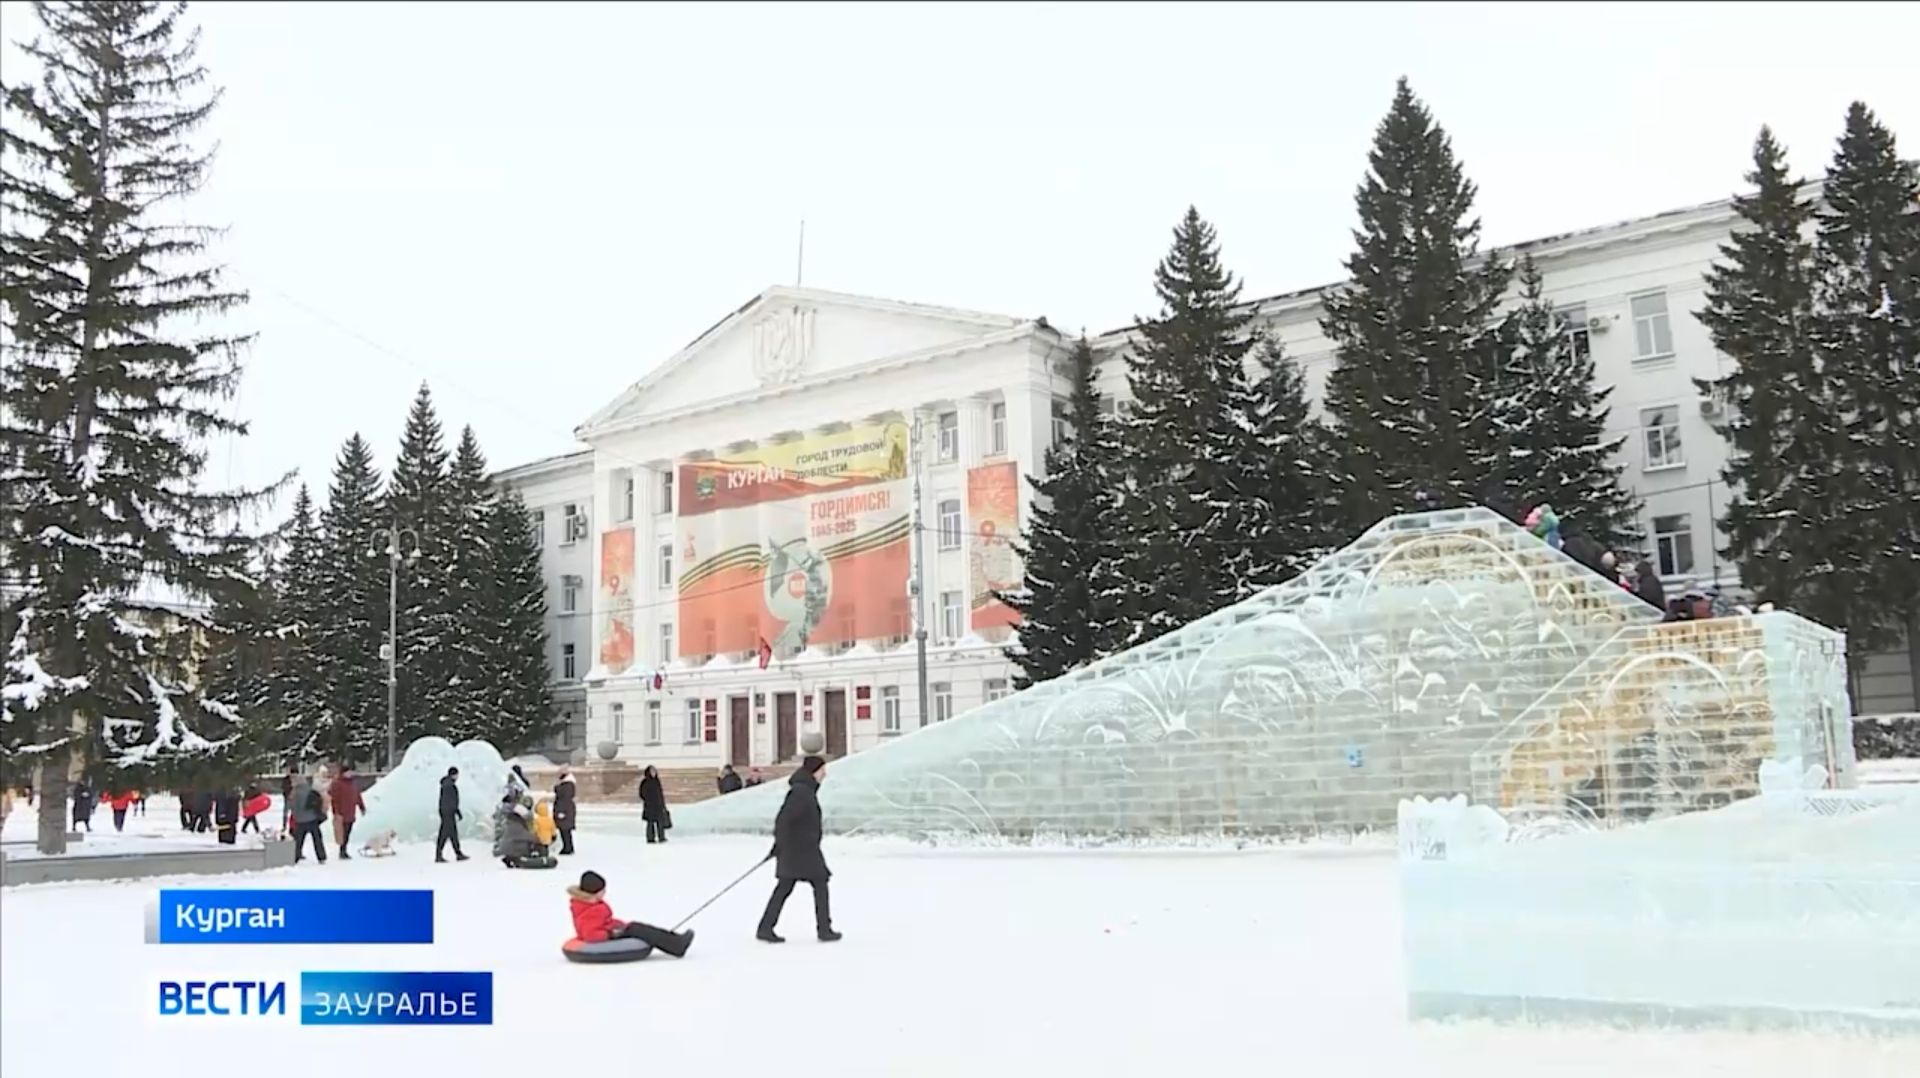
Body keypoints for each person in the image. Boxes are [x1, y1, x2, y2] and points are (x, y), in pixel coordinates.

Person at [756, 755, 840, 944]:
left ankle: (766, 927)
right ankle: (824, 929)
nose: (824, 775)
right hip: (800, 850)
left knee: (787, 887)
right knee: (819, 883)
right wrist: (780, 844)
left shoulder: (804, 790)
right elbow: (784, 820)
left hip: (799, 849)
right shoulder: (801, 792)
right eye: (822, 771)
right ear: (814, 771)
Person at [567, 870, 694, 957]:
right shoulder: (590, 910)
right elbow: (590, 934)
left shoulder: (588, 904)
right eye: (602, 890)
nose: (605, 892)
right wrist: (611, 933)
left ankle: (674, 939)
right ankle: (677, 945)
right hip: (606, 936)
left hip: (611, 931)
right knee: (641, 931)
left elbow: (603, 921)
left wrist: (616, 924)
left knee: (637, 927)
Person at [289, 772, 328, 863]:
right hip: (313, 819)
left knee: (299, 840)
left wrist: (296, 817)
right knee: (317, 839)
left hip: (300, 820)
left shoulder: (295, 793)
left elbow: (293, 807)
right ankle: (321, 857)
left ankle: (295, 856)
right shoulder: (310, 790)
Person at [330, 765, 365, 860]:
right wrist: (336, 812)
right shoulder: (337, 783)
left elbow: (357, 795)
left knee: (348, 832)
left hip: (351, 811)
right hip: (341, 812)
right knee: (343, 833)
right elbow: (334, 799)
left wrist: (361, 806)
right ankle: (342, 850)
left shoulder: (353, 783)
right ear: (343, 773)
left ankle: (344, 850)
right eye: (347, 772)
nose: (350, 774)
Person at [436, 766, 468, 863]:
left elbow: (451, 801)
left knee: (453, 834)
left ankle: (458, 853)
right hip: (448, 813)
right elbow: (449, 801)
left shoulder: (447, 784)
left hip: (447, 812)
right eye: (457, 775)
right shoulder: (449, 786)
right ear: (454, 775)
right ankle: (439, 855)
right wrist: (454, 811)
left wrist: (456, 811)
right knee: (444, 834)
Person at [638, 765, 669, 844]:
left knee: (660, 822)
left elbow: (660, 793)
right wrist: (648, 800)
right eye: (652, 771)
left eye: (654, 771)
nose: (654, 773)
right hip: (650, 806)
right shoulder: (645, 782)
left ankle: (661, 837)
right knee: (650, 823)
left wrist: (663, 804)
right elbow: (641, 793)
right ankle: (650, 838)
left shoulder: (657, 781)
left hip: (658, 806)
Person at [553, 768, 577, 856]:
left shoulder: (567, 785)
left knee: (565, 830)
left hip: (564, 810)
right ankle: (567, 847)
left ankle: (568, 847)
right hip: (565, 809)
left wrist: (562, 811)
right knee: (565, 830)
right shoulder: (567, 785)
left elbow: (564, 799)